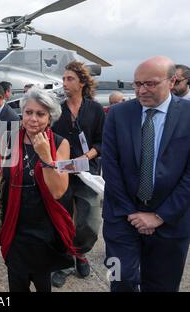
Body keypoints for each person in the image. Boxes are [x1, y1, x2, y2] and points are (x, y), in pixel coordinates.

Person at [102, 56, 190, 292]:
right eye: (137, 84)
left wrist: (159, 216)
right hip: (121, 219)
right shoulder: (117, 114)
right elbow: (110, 168)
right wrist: (132, 213)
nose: (142, 90)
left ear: (172, 81)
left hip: (171, 223)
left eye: (150, 84)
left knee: (163, 286)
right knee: (120, 280)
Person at [0, 87, 77, 292]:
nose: (33, 119)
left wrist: (46, 157)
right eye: (28, 112)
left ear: (50, 117)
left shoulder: (61, 144)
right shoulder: (10, 139)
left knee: (42, 282)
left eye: (40, 114)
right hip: (15, 226)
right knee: (16, 282)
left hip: (44, 230)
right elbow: (1, 171)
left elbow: (58, 191)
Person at [51, 61, 105, 287]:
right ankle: (64, 262)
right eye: (63, 79)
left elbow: (102, 141)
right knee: (61, 218)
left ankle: (80, 253)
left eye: (69, 79)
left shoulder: (95, 109)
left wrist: (87, 156)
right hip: (61, 172)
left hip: (87, 172)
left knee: (89, 220)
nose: (64, 83)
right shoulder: (57, 109)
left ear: (82, 83)